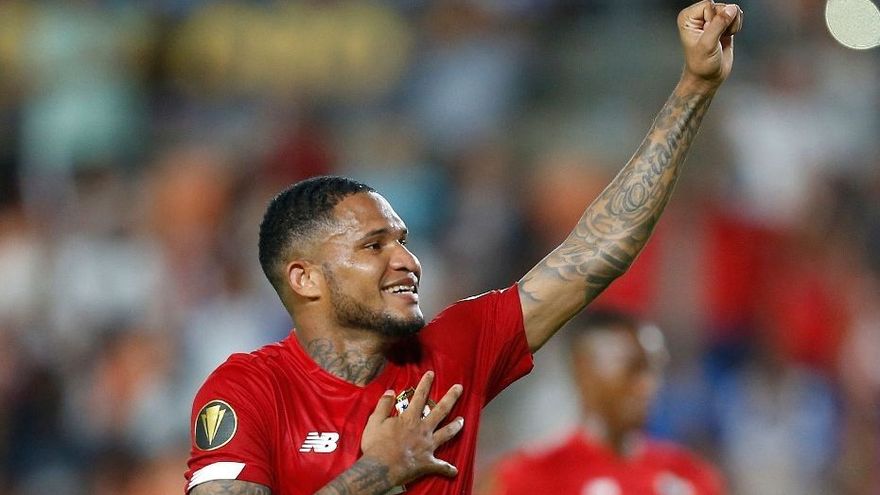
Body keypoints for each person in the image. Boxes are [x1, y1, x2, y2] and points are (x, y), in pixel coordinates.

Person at [184, 2, 744, 494]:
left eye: (402, 241)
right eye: (374, 245)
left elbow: (599, 249)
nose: (406, 261)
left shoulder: (455, 352)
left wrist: (694, 88)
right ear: (305, 278)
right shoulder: (251, 391)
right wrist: (377, 472)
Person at [480, 310, 725, 495]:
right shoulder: (526, 478)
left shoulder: (692, 477)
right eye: (633, 368)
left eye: (654, 369)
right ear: (584, 369)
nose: (648, 386)